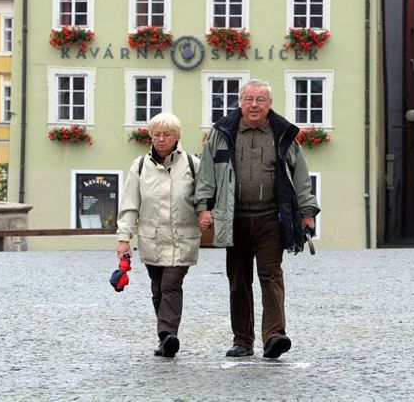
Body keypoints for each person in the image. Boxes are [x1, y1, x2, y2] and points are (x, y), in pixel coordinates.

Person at [195, 79, 320, 359]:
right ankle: (242, 339)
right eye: (249, 99)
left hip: (270, 219)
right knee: (238, 280)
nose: (254, 105)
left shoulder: (282, 133)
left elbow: (300, 175)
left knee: (271, 276)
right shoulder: (222, 133)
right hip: (234, 218)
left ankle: (275, 335)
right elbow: (206, 174)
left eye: (260, 100)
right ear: (240, 102)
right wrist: (203, 207)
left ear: (269, 104)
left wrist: (307, 212)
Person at [116, 112, 200, 358]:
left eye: (167, 135)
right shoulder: (140, 166)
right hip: (151, 238)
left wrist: (206, 215)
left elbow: (204, 198)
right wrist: (124, 239)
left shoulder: (193, 165)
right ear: (151, 136)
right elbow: (130, 204)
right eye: (157, 134)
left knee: (171, 285)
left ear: (177, 137)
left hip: (182, 238)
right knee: (157, 289)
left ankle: (167, 334)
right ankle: (166, 337)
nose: (161, 139)